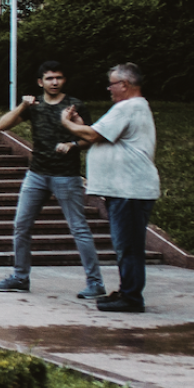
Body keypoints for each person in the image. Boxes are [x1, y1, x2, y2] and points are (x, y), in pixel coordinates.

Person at [0, 61, 106, 298]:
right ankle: (20, 277)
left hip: (66, 176)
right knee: (21, 224)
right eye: (49, 78)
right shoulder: (35, 106)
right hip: (36, 174)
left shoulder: (75, 105)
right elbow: (1, 125)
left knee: (78, 228)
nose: (54, 82)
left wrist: (72, 144)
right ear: (40, 82)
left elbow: (91, 137)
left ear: (64, 81)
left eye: (59, 78)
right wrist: (22, 105)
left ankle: (95, 283)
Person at [60, 63, 161, 313]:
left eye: (112, 84)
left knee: (128, 246)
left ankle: (131, 297)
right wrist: (81, 124)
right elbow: (98, 134)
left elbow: (93, 136)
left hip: (130, 190)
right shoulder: (131, 107)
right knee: (126, 245)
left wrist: (67, 123)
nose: (109, 88)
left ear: (124, 85)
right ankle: (128, 291)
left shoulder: (129, 106)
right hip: (124, 190)